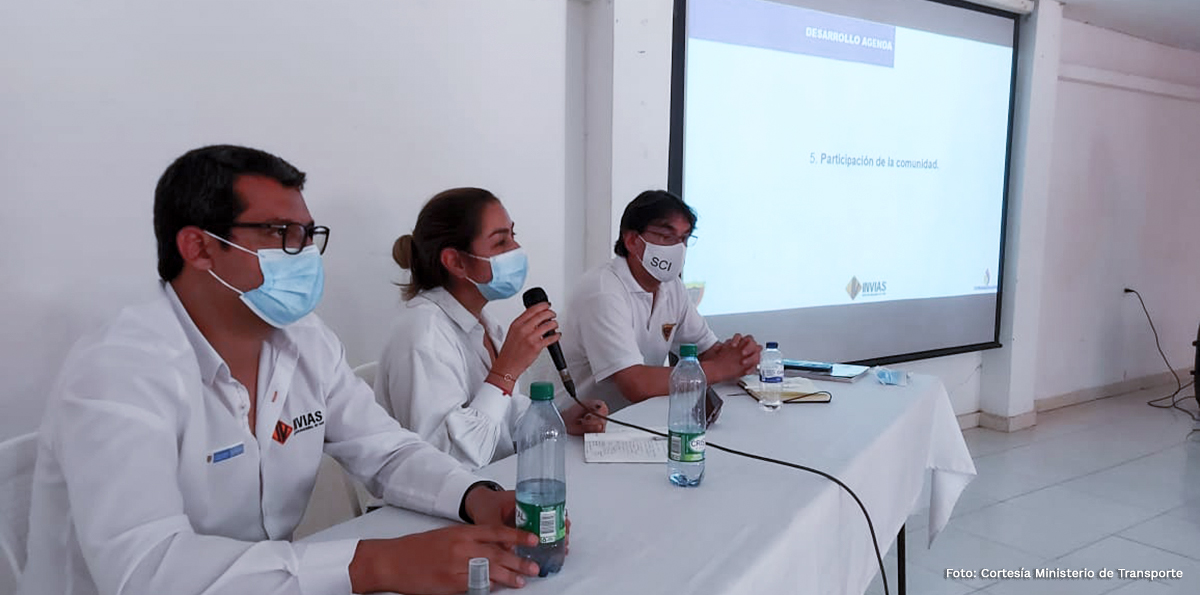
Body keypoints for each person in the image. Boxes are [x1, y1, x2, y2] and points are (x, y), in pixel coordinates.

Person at [18, 146, 545, 595]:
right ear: (199, 246)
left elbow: (388, 450)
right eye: (281, 233)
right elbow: (144, 568)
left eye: (308, 234)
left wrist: (477, 498)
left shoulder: (304, 339)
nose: (304, 255)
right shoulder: (120, 369)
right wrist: (375, 562)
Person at [376, 187, 607, 470]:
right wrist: (506, 371)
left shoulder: (485, 322)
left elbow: (503, 424)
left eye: (513, 235)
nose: (516, 250)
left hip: (492, 485)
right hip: (430, 507)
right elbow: (445, 460)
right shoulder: (421, 333)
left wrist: (558, 420)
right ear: (456, 261)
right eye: (500, 242)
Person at [561, 190, 761, 412]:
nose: (678, 248)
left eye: (684, 238)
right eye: (667, 237)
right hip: (579, 427)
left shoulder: (671, 286)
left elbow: (708, 351)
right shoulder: (602, 291)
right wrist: (722, 368)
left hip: (637, 420)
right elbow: (635, 384)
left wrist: (741, 355)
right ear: (632, 240)